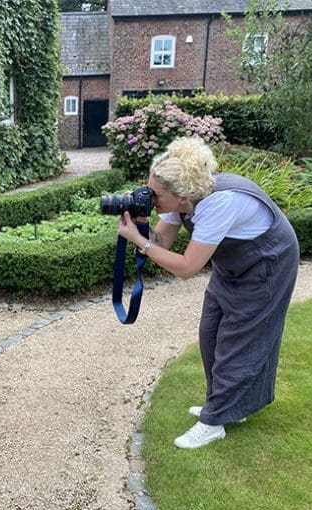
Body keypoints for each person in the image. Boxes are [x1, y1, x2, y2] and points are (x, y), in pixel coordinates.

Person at [118, 137, 299, 449]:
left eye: (155, 196)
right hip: (233, 263)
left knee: (239, 340)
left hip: (267, 265)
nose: (150, 198)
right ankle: (228, 406)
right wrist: (141, 223)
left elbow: (187, 268)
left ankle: (213, 422)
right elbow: (162, 244)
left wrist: (140, 242)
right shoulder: (179, 202)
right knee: (211, 333)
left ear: (182, 195)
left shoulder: (218, 203)